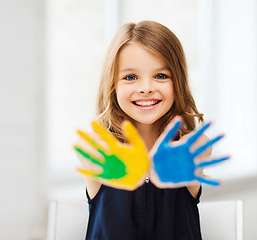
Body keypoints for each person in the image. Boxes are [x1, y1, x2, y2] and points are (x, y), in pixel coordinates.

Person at [75, 21, 217, 240]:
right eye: (130, 77)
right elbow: (86, 146)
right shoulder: (100, 150)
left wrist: (152, 167)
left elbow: (199, 148)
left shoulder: (190, 149)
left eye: (161, 76)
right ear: (113, 86)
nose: (145, 88)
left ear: (177, 82)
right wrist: (140, 168)